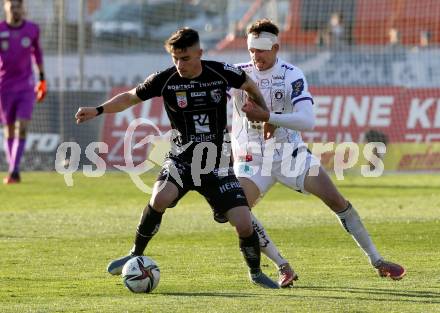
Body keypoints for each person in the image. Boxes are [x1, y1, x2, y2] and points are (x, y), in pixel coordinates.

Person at [75, 28, 279, 289]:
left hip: (216, 163)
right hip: (181, 159)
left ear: (199, 54)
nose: (179, 64)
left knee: (243, 222)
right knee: (160, 197)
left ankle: (255, 273)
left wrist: (263, 112)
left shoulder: (220, 72)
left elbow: (249, 84)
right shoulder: (165, 79)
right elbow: (130, 98)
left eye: (185, 58)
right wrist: (98, 109)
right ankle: (135, 253)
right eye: (175, 58)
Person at [228, 19, 406, 280]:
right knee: (239, 214)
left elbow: (307, 120)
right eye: (252, 50)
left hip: (290, 154)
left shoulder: (291, 74)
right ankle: (282, 266)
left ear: (276, 47)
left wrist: (269, 117)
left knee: (337, 201)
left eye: (262, 50)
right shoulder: (237, 73)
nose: (256, 56)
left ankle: (378, 261)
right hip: (251, 160)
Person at [0, 0, 47, 184]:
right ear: (6, 8)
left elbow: (38, 54)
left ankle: (14, 170)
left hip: (26, 87)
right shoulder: (1, 29)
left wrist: (42, 79)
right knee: (9, 129)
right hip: (4, 87)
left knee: (23, 126)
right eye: (12, 7)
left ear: (23, 8)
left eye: (18, 7)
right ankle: (13, 169)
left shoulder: (32, 29)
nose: (16, 10)